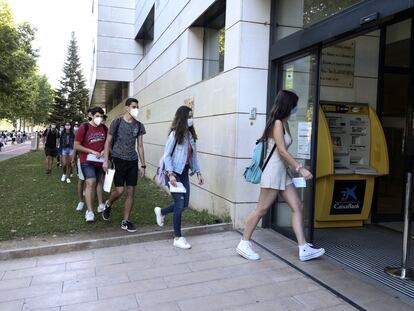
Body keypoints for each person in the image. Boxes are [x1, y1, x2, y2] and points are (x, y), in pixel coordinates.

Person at [236, 90, 325, 262]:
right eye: (295, 105)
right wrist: (300, 168)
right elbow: (282, 151)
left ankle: (303, 247)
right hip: (273, 173)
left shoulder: (284, 123)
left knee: (297, 206)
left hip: (282, 172)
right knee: (261, 209)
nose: (296, 108)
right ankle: (244, 243)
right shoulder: (277, 123)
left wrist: (291, 170)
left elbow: (283, 152)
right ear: (288, 105)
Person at [153, 105, 204, 249]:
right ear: (183, 118)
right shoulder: (174, 134)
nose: (191, 119)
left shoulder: (191, 136)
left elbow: (193, 157)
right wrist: (170, 174)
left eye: (192, 116)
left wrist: (198, 172)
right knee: (180, 204)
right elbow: (167, 155)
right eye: (189, 116)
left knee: (185, 204)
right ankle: (177, 237)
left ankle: (161, 211)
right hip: (173, 173)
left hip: (184, 172)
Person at [102, 98, 146, 233]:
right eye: (134, 106)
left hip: (132, 161)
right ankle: (108, 204)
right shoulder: (117, 122)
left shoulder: (139, 125)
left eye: (137, 107)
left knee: (131, 192)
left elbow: (139, 146)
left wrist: (142, 165)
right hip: (118, 159)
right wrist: (105, 160)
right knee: (120, 191)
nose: (136, 109)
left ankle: (125, 221)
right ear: (127, 108)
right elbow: (108, 142)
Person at [74, 107, 108, 222]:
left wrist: (104, 151)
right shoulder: (84, 127)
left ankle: (99, 204)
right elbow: (76, 145)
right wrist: (91, 151)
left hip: (100, 161)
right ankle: (89, 212)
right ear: (92, 116)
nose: (99, 118)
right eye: (97, 116)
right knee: (90, 182)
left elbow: (109, 143)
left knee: (98, 182)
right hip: (87, 160)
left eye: (101, 116)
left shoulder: (104, 128)